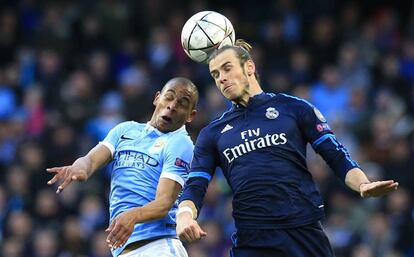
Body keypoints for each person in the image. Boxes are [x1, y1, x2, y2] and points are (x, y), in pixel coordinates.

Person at [175, 41, 399, 257]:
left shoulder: (294, 108)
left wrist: (363, 184)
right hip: (253, 239)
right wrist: (185, 215)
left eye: (227, 68)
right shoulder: (212, 133)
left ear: (249, 67)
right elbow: (196, 183)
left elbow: (337, 156)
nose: (222, 78)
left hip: (303, 230)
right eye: (215, 75)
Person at [47, 77, 199, 257]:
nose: (172, 106)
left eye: (182, 103)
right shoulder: (126, 130)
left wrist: (133, 215)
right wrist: (79, 167)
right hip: (124, 250)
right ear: (157, 98)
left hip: (158, 247)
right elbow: (90, 159)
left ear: (190, 115)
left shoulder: (180, 143)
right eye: (169, 97)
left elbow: (163, 204)